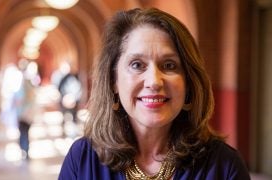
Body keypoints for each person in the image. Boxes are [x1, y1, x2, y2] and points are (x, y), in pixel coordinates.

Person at [58, 8, 250, 180]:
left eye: (169, 65)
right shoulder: (82, 159)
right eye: (137, 65)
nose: (154, 82)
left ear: (189, 83)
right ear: (113, 81)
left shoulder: (224, 166)